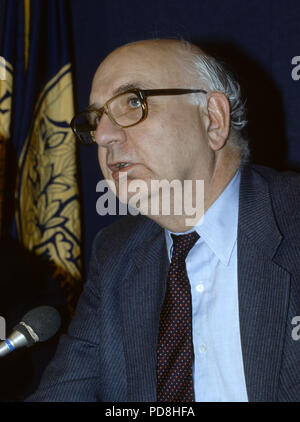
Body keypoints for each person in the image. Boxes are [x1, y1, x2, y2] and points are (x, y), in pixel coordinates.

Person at [27, 39, 300, 402]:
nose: (104, 137)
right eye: (96, 120)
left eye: (133, 102)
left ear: (213, 119)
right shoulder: (116, 255)